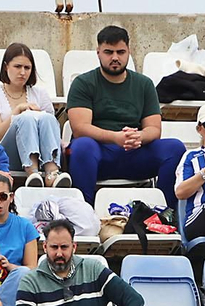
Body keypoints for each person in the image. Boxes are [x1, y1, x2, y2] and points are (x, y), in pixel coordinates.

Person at [65, 26, 182, 205]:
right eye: (108, 52)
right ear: (98, 53)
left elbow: (154, 129)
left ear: (129, 52)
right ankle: (84, 211)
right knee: (82, 146)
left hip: (134, 152)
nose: (115, 58)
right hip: (99, 153)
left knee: (174, 148)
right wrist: (115, 137)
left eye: (120, 52)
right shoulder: (83, 83)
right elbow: (80, 128)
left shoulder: (144, 84)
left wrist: (139, 136)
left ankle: (165, 213)